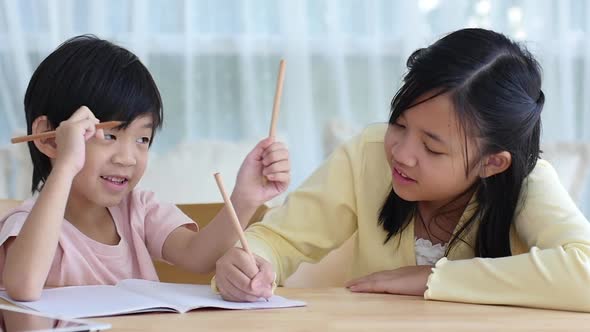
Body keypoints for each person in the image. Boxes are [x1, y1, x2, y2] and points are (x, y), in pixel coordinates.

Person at [214, 28, 590, 312]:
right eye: (400, 124)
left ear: (492, 163)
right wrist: (252, 263)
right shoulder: (369, 154)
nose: (402, 154)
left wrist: (433, 278)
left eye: (431, 147)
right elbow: (281, 240)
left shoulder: (528, 180)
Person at [0, 35, 290, 301]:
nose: (128, 158)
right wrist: (65, 165)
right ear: (50, 138)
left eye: (142, 139)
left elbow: (198, 256)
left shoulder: (138, 210)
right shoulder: (24, 225)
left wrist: (245, 199)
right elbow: (23, 286)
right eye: (110, 135)